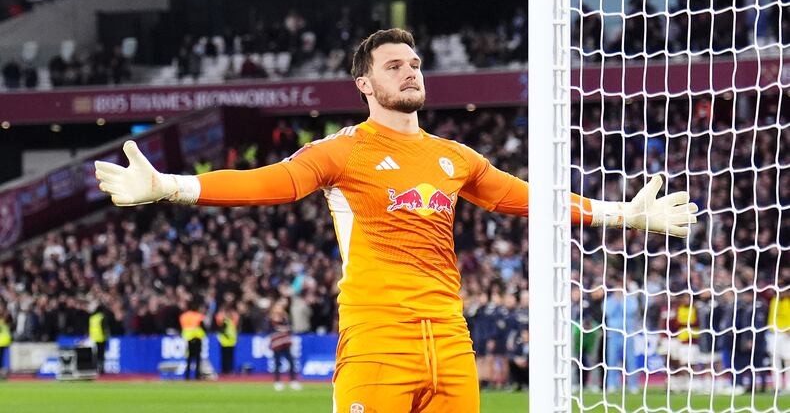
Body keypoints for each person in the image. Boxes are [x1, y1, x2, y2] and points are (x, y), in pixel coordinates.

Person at [95, 28, 697, 412]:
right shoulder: (343, 150)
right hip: (378, 343)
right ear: (365, 83)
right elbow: (270, 184)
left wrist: (622, 213)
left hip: (452, 347)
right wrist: (169, 187)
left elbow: (529, 198)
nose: (410, 72)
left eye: (414, 63)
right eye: (393, 66)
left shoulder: (454, 157)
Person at [269, 300, 301, 391]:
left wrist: (283, 328)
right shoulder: (271, 319)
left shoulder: (285, 318)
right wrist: (283, 329)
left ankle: (293, 381)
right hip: (276, 344)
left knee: (291, 362)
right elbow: (272, 330)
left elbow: (289, 328)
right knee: (277, 363)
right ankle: (277, 382)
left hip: (285, 343)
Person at [179, 300, 206, 380]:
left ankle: (187, 376)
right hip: (197, 338)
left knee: (188, 358)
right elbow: (203, 327)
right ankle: (197, 376)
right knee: (197, 358)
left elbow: (182, 326)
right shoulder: (199, 316)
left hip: (187, 339)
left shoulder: (184, 316)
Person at [214, 303, 238, 375]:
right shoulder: (223, 321)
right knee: (225, 357)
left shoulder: (231, 321)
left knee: (230, 357)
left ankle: (229, 370)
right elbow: (221, 329)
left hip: (231, 341)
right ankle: (225, 370)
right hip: (224, 341)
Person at [88, 304, 110, 374]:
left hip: (92, 339)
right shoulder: (102, 317)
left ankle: (94, 368)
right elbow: (105, 328)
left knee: (94, 355)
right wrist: (107, 336)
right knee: (101, 355)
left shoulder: (92, 318)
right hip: (101, 338)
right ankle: (101, 369)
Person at [0, 307, 12, 378]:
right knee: (2, 361)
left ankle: (4, 373)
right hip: (2, 343)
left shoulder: (7, 322)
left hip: (6, 343)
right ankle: (2, 374)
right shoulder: (4, 322)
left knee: (5, 361)